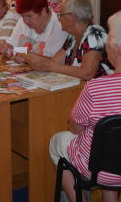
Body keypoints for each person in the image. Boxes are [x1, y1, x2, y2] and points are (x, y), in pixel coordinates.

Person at [49, 11, 121, 202]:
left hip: (97, 169)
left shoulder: (96, 87)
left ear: (117, 49)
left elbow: (75, 127)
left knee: (56, 142)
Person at [12, 0, 114, 81]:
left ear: (72, 18)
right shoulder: (72, 37)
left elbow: (86, 73)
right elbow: (55, 61)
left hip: (102, 96)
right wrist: (27, 55)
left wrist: (48, 66)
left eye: (60, 15)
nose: (58, 18)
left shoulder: (95, 33)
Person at [0, 0, 68, 57]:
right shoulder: (23, 21)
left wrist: (27, 58)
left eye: (29, 16)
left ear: (43, 11)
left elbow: (56, 62)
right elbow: (11, 46)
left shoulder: (59, 27)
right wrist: (4, 48)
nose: (25, 21)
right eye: (22, 16)